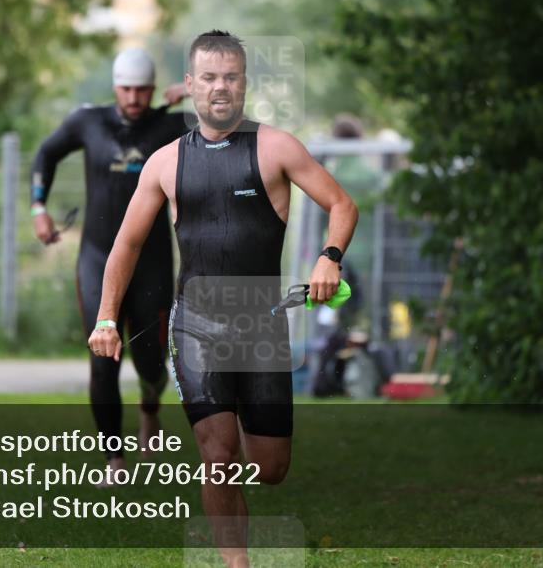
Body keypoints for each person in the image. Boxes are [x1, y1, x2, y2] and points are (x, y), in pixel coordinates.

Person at [89, 31, 357, 567]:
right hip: (197, 325)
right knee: (217, 455)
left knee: (269, 467)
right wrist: (106, 318)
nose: (220, 87)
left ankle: (237, 427)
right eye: (208, 78)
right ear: (189, 85)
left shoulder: (276, 147)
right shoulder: (166, 162)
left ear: (244, 84)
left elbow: (341, 204)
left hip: (261, 325)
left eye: (230, 77)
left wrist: (329, 256)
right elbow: (127, 244)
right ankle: (237, 563)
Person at [30, 48, 189, 481]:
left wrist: (194, 88)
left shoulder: (172, 125)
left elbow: (233, 122)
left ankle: (150, 406)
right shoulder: (89, 121)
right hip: (98, 259)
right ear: (115, 87)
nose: (135, 97)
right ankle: (114, 460)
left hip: (153, 261)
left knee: (153, 361)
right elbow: (45, 154)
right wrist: (38, 208)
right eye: (127, 88)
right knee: (102, 359)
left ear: (154, 88)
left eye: (143, 89)